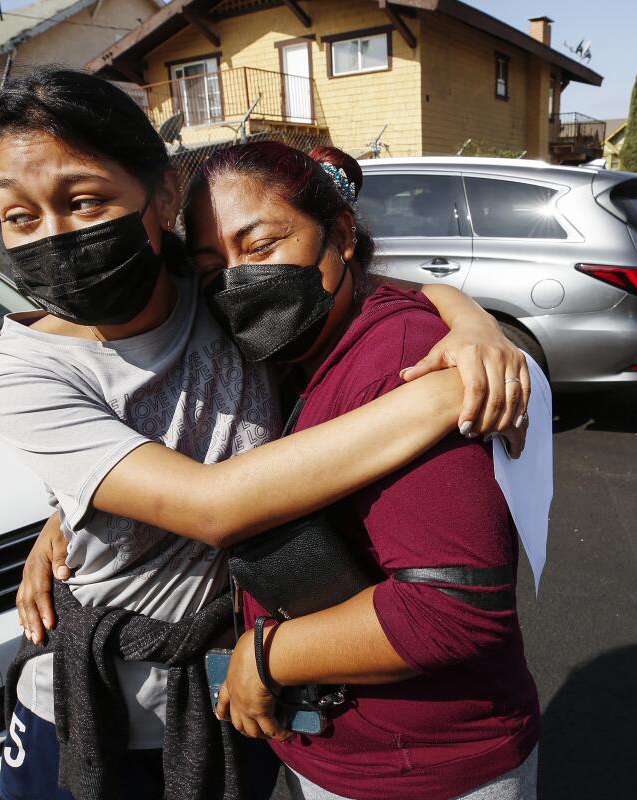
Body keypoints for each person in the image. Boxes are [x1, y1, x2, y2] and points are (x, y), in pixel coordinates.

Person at [0, 67, 530, 800]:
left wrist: (468, 316)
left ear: (163, 195)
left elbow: (348, 279)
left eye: (86, 200)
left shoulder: (219, 296)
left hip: (231, 693)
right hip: (90, 703)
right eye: (20, 216)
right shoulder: (20, 375)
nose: (57, 236)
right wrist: (443, 393)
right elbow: (210, 506)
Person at [180, 141, 546, 800]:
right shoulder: (286, 355)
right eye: (212, 266)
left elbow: (451, 611)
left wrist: (266, 655)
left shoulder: (403, 364)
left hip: (428, 770)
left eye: (261, 246)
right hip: (344, 748)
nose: (236, 279)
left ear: (342, 234)